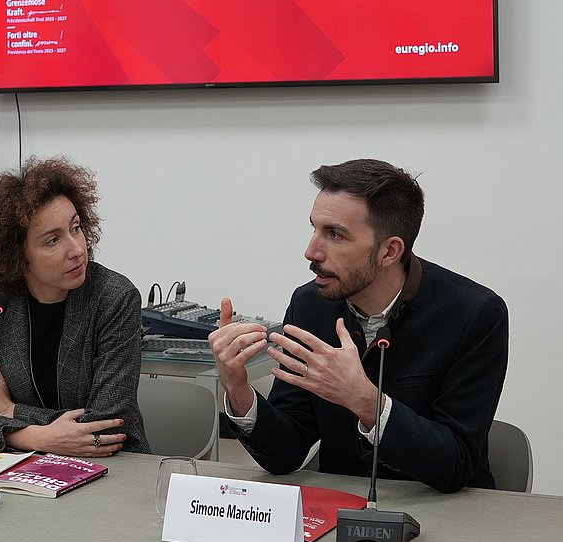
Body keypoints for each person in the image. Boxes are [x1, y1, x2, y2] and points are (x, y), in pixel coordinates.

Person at [209, 159, 507, 492]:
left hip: (451, 514)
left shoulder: (474, 313)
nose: (311, 251)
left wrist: (367, 402)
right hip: (339, 511)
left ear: (389, 251)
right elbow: (286, 454)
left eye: (334, 235)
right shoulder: (310, 305)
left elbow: (456, 466)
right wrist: (238, 391)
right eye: (314, 228)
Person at [0, 156, 148, 455]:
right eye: (53, 240)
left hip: (112, 466)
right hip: (23, 462)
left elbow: (106, 427)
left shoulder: (114, 298)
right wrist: (34, 439)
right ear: (18, 254)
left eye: (76, 228)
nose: (77, 249)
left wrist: (8, 409)